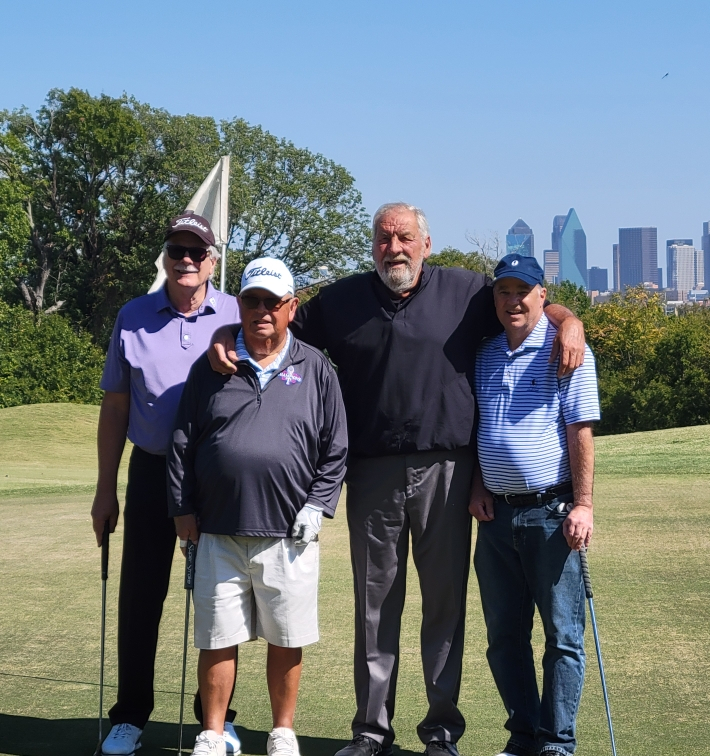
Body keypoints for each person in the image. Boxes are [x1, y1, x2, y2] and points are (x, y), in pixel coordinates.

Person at [208, 203, 586, 756]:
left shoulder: (467, 293)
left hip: (448, 473)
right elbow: (274, 320)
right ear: (373, 247)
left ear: (425, 243)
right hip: (372, 474)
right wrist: (225, 332)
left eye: (405, 237)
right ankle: (371, 731)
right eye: (384, 239)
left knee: (444, 609)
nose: (395, 249)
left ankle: (440, 733)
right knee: (375, 608)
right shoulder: (342, 301)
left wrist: (570, 321)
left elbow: (525, 300)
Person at [168, 258, 349, 756]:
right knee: (216, 635)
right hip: (217, 529)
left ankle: (282, 730)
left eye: (273, 302)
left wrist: (318, 505)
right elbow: (183, 440)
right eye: (252, 300)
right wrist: (182, 509)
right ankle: (211, 731)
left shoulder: (315, 368)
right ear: (239, 305)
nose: (262, 311)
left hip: (289, 532)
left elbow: (335, 447)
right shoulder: (211, 367)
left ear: (291, 307)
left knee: (285, 636)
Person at [91, 212, 243, 756]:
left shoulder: (235, 310)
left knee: (220, 600)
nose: (186, 259)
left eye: (197, 252)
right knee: (141, 596)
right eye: (177, 250)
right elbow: (114, 407)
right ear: (166, 257)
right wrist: (105, 489)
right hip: (152, 470)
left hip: (217, 473)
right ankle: (130, 715)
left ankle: (216, 721)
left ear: (213, 260)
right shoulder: (133, 315)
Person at [469, 254, 600, 756]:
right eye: (503, 291)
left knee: (562, 637)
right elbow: (478, 427)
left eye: (523, 291)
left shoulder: (567, 349)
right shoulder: (484, 353)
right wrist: (479, 483)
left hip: (551, 512)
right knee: (504, 636)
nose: (513, 300)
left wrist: (583, 504)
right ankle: (523, 737)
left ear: (542, 296)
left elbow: (580, 430)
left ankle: (557, 742)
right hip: (496, 516)